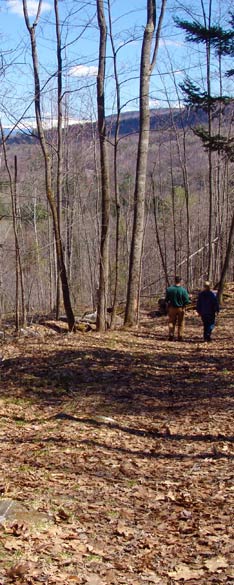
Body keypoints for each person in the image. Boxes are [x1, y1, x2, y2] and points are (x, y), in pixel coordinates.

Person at [165, 276, 190, 341]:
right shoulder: (183, 290)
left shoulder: (169, 289)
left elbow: (166, 299)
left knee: (171, 322)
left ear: (174, 281)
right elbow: (187, 300)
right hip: (181, 308)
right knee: (181, 323)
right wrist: (184, 305)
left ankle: (171, 335)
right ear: (180, 281)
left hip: (172, 308)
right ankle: (180, 336)